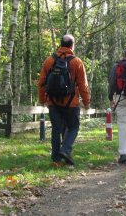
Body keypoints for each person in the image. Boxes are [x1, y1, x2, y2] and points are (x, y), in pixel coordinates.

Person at [38, 34, 90, 167]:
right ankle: (65, 150)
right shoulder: (76, 62)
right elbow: (83, 85)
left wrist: (42, 99)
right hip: (71, 103)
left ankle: (56, 159)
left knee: (56, 129)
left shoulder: (49, 61)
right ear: (72, 45)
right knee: (73, 127)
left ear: (60, 45)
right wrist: (86, 101)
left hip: (53, 102)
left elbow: (41, 83)